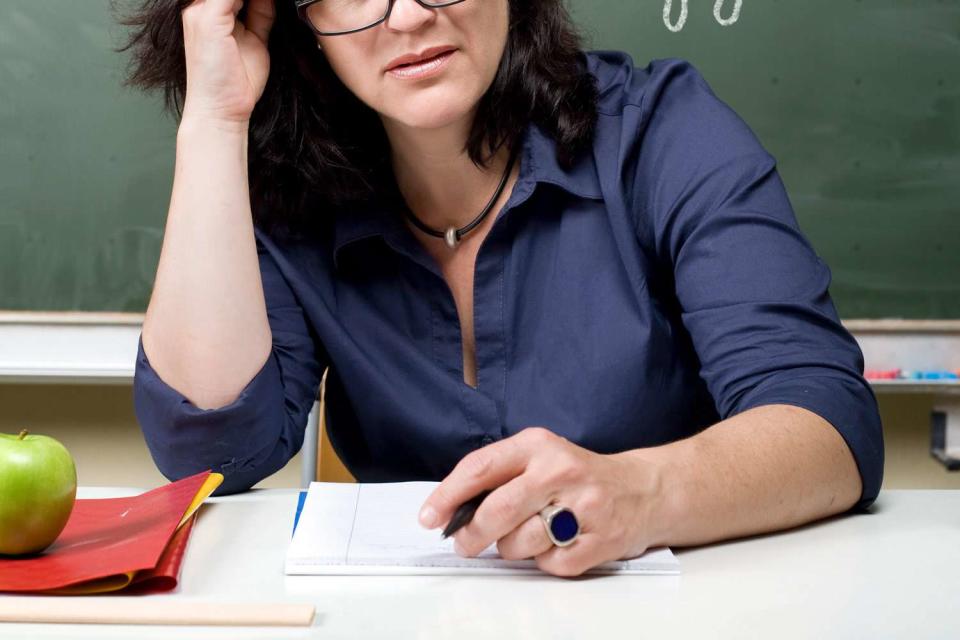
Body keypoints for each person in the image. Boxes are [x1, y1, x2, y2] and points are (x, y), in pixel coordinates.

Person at [118, 0, 883, 577]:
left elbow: (827, 425)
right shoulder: (292, 196)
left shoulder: (664, 133)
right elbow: (212, 451)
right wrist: (215, 119)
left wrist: (640, 493)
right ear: (295, 18)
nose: (411, 15)